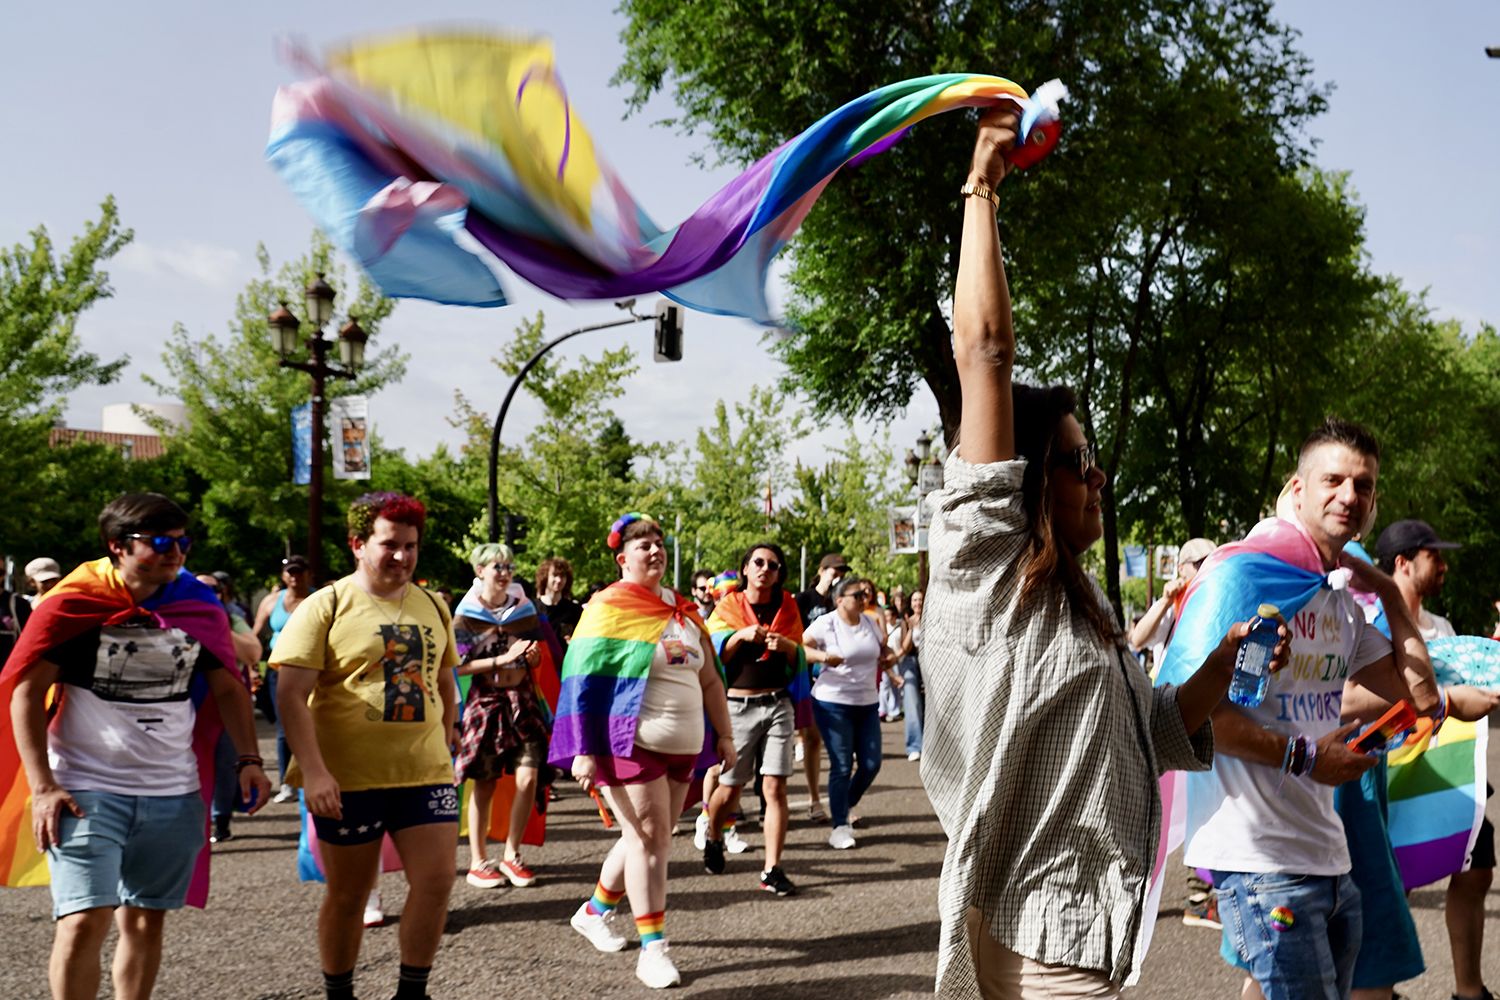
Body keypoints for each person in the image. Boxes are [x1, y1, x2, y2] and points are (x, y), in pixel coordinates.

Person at [920, 107, 1259, 998]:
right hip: (1047, 927)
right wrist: (983, 185)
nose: (1098, 475)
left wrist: (1229, 654)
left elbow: (1153, 731)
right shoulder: (984, 567)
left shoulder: (1081, 604)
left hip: (1065, 920)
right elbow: (985, 354)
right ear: (1023, 478)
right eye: (1077, 460)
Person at [1167, 420, 1448, 1000]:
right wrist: (1304, 757)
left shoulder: (1339, 599)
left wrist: (1389, 593)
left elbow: (1417, 694)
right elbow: (1187, 717)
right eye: (1335, 480)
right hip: (1262, 863)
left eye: (1364, 485)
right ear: (1298, 489)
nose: (1349, 495)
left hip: (1327, 856)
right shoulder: (1242, 576)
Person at [3, 492, 270, 1000]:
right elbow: (27, 692)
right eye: (160, 543)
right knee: (83, 920)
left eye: (182, 542)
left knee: (145, 923)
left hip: (173, 791)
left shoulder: (197, 604)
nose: (175, 553)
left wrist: (250, 760)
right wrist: (43, 787)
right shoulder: (75, 601)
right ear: (116, 546)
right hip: (84, 789)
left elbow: (230, 688)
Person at [273, 492, 460, 1000]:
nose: (402, 556)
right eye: (390, 545)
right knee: (350, 894)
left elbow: (445, 680)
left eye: (411, 546)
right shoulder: (326, 604)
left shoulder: (432, 604)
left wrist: (448, 736)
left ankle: (411, 991)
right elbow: (290, 694)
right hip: (347, 778)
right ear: (358, 544)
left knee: (438, 881)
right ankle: (340, 992)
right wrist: (312, 771)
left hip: (424, 773)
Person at [550, 513, 735, 989]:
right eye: (642, 545)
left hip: (684, 747)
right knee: (651, 841)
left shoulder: (683, 610)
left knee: (648, 839)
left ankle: (594, 911)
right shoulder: (609, 606)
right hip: (627, 743)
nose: (654, 550)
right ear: (622, 559)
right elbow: (583, 680)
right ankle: (654, 950)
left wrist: (726, 735)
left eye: (658, 542)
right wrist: (584, 749)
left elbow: (710, 678)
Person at [1376, 519, 1499, 1000]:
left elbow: (1468, 695)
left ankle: (1470, 990)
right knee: (1396, 882)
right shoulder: (1370, 627)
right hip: (1394, 776)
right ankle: (1375, 988)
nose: (1444, 564)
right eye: (1434, 555)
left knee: (1476, 866)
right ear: (1403, 563)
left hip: (1448, 772)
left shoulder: (1441, 629)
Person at [701, 542, 813, 896]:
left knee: (774, 787)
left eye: (774, 565)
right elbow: (710, 650)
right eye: (759, 562)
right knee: (730, 788)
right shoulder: (728, 606)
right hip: (737, 706)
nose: (766, 569)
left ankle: (772, 869)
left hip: (778, 704)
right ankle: (713, 833)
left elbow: (799, 653)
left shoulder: (788, 606)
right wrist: (738, 637)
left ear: (780, 573)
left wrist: (789, 647)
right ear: (746, 569)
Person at [454, 543, 550, 889]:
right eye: (497, 566)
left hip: (522, 700)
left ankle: (512, 854)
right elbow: (458, 667)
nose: (505, 572)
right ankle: (478, 861)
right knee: (485, 782)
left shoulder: (523, 608)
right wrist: (500, 659)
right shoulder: (466, 614)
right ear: (480, 571)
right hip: (487, 702)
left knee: (528, 778)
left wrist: (533, 656)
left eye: (508, 566)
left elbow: (537, 660)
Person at [802, 576, 901, 850]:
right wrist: (824, 658)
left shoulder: (870, 622)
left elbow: (885, 648)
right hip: (832, 702)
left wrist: (890, 657)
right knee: (842, 764)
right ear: (839, 599)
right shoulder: (827, 623)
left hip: (867, 703)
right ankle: (839, 827)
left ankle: (843, 803)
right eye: (856, 594)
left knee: (871, 764)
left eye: (864, 594)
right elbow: (801, 647)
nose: (863, 598)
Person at [197, 573, 265, 845]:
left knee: (225, 764)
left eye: (213, 589)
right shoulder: (176, 613)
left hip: (223, 701)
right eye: (200, 590)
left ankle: (220, 820)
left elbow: (252, 654)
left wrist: (217, 626)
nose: (208, 594)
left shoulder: (231, 618)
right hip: (188, 703)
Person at [253, 554, 315, 804]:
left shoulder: (318, 599)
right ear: (283, 575)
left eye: (299, 571)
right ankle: (287, 783)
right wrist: (250, 665)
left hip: (312, 670)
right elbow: (255, 634)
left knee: (313, 722)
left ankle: (311, 774)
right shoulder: (271, 601)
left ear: (308, 574)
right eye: (290, 571)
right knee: (283, 726)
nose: (294, 576)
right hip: (278, 670)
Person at [795, 554, 848, 823]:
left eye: (842, 572)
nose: (838, 576)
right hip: (809, 676)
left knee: (843, 745)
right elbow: (795, 640)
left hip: (841, 679)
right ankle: (815, 800)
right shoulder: (804, 600)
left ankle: (844, 803)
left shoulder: (842, 603)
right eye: (834, 571)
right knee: (813, 739)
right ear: (822, 571)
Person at [1127, 537, 1216, 675]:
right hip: (1171, 692)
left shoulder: (1218, 604)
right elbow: (1137, 640)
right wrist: (1165, 602)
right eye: (1199, 563)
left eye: (1212, 563)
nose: (1206, 569)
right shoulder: (1170, 605)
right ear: (1181, 568)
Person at [895, 591, 925, 760]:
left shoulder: (932, 619)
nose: (918, 603)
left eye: (920, 600)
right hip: (910, 659)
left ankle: (931, 745)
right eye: (914, 600)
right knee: (912, 699)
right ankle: (914, 746)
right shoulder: (906, 622)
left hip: (929, 659)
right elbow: (905, 648)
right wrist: (911, 628)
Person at [536, 556, 583, 642]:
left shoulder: (575, 610)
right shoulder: (533, 608)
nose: (559, 580)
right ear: (545, 576)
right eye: (555, 575)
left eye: (562, 576)